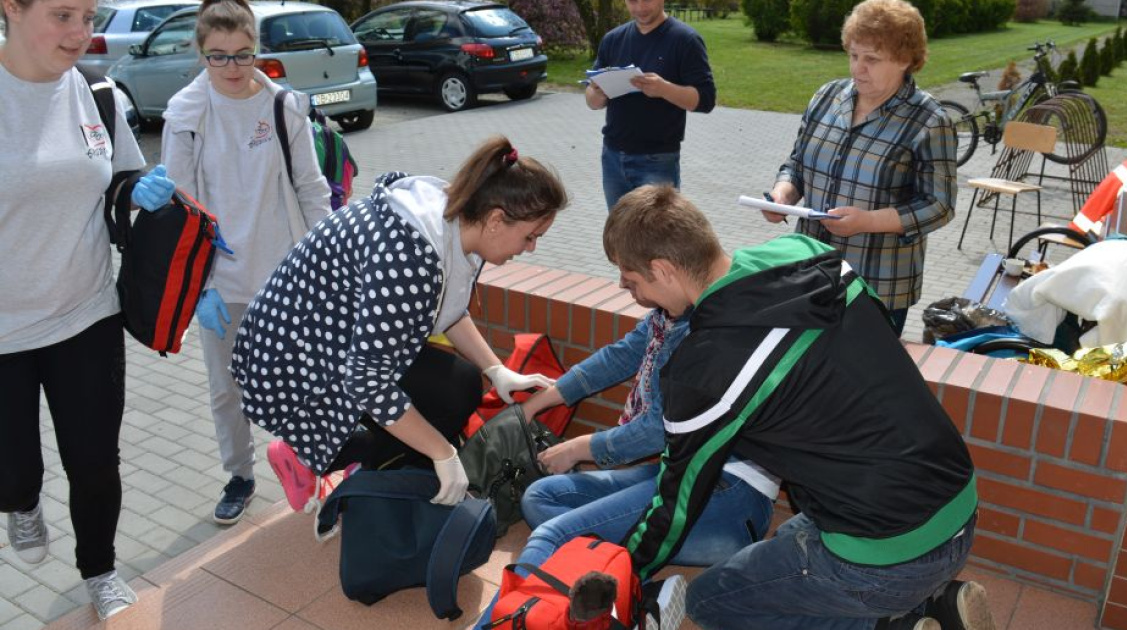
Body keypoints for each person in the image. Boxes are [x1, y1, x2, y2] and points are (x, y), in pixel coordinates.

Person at [606, 185, 994, 630]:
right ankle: (936, 602)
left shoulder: (702, 371)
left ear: (663, 269)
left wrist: (624, 574)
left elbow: (676, 505)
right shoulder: (807, 252)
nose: (626, 289)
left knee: (712, 601)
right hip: (957, 504)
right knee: (794, 534)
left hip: (889, 554)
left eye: (631, 280)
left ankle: (895, 624)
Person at [230, 136, 568, 511]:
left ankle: (368, 462)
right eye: (530, 236)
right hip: (289, 364)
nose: (531, 247)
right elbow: (366, 379)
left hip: (329, 342)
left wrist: (496, 369)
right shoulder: (408, 258)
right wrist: (441, 453)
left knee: (461, 384)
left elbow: (449, 307)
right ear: (495, 220)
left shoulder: (451, 221)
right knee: (418, 422)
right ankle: (313, 456)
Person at [0, 0, 176, 619]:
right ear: (11, 9)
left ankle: (98, 569)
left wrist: (139, 189)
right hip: (2, 331)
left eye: (89, 16)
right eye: (63, 15)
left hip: (86, 313)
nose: (81, 33)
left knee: (96, 462)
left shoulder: (96, 93)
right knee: (12, 468)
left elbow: (124, 174)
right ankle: (20, 500)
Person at [471, 273, 777, 628]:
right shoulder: (668, 315)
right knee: (541, 497)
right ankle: (632, 597)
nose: (620, 285)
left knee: (551, 534)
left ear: (662, 269)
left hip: (727, 495)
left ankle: (504, 621)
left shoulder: (703, 331)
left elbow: (657, 430)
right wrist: (535, 404)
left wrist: (578, 448)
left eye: (630, 278)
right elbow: (617, 357)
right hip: (682, 472)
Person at [161, 0, 332, 526]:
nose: (233, 68)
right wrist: (200, 285)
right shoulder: (187, 114)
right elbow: (179, 205)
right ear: (201, 53)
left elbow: (310, 186)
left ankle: (312, 464)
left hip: (287, 276)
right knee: (226, 388)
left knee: (304, 379)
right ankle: (239, 474)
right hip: (222, 281)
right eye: (218, 57)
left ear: (257, 48)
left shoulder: (282, 106)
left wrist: (327, 255)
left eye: (243, 54)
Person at [765, 0, 957, 337]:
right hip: (809, 271)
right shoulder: (828, 96)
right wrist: (783, 193)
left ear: (905, 60)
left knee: (860, 384)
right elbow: (797, 162)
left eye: (871, 59)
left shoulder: (930, 121)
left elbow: (939, 205)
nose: (858, 69)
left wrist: (867, 221)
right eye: (854, 55)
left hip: (876, 286)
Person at [586, 0, 715, 210]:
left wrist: (664, 89)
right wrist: (598, 93)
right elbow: (591, 100)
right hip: (612, 156)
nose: (640, 8)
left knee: (657, 238)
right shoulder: (613, 39)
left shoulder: (686, 40)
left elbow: (706, 100)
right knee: (619, 236)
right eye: (633, 1)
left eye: (647, 0)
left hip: (658, 160)